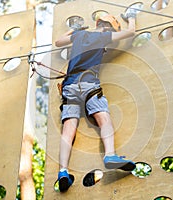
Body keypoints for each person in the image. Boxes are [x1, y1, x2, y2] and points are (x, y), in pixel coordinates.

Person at [55, 12, 137, 192]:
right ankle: (110, 155)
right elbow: (131, 32)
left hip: (69, 86)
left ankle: (62, 171)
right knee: (104, 119)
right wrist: (131, 17)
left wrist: (73, 30)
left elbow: (58, 42)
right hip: (89, 83)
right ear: (108, 27)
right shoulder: (103, 36)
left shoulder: (79, 35)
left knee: (68, 129)